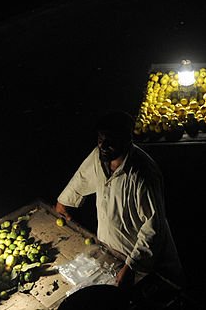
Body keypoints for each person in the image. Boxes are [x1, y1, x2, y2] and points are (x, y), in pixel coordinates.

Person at [56, 112, 183, 287]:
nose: (103, 145)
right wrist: (64, 201)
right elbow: (82, 178)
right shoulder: (99, 156)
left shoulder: (143, 175)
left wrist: (132, 266)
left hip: (140, 262)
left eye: (111, 140)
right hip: (110, 252)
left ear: (127, 139)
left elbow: (153, 227)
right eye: (100, 138)